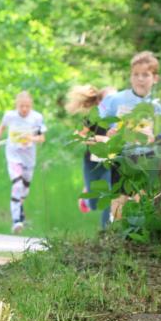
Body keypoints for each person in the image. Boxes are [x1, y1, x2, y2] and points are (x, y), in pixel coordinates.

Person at [98, 51, 161, 222]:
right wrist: (108, 133)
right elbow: (98, 125)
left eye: (145, 75)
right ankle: (116, 229)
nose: (140, 79)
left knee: (143, 199)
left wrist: (153, 138)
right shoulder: (115, 100)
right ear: (130, 77)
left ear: (155, 78)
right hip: (121, 157)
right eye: (136, 74)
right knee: (119, 200)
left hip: (148, 159)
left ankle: (140, 231)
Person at [0, 91, 45, 234]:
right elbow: (1, 127)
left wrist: (31, 138)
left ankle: (19, 210)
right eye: (21, 106)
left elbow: (41, 138)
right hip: (13, 156)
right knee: (17, 185)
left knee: (24, 191)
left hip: (29, 158)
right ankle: (16, 221)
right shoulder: (10, 116)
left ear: (31, 105)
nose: (24, 109)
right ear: (17, 105)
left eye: (27, 106)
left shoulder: (37, 118)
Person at [66, 84, 115, 228]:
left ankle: (106, 233)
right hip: (92, 163)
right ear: (100, 102)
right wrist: (95, 139)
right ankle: (86, 199)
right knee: (93, 204)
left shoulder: (121, 118)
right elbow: (78, 135)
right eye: (109, 100)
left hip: (110, 164)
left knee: (109, 195)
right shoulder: (93, 117)